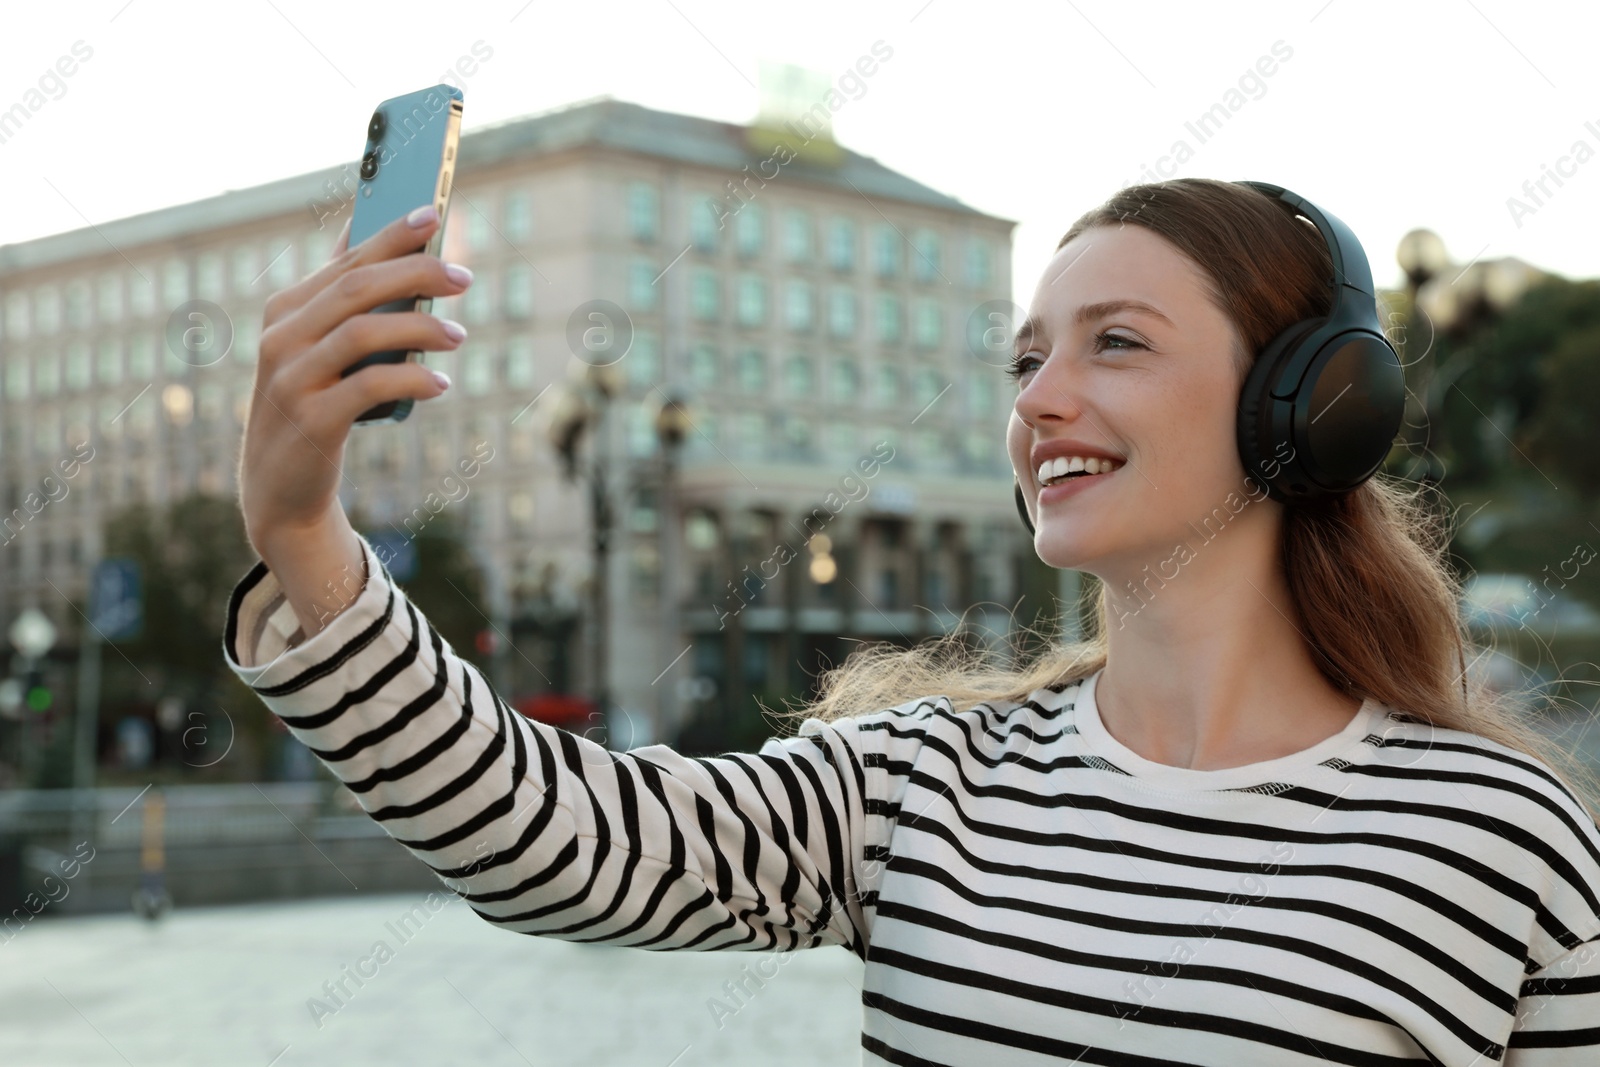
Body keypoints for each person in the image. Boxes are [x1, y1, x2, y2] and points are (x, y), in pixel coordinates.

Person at [226, 180, 1600, 1065]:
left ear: (1311, 400)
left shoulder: (1503, 838)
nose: (1040, 399)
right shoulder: (925, 780)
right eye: (1026, 359)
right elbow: (558, 843)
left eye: (1114, 342)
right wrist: (303, 541)